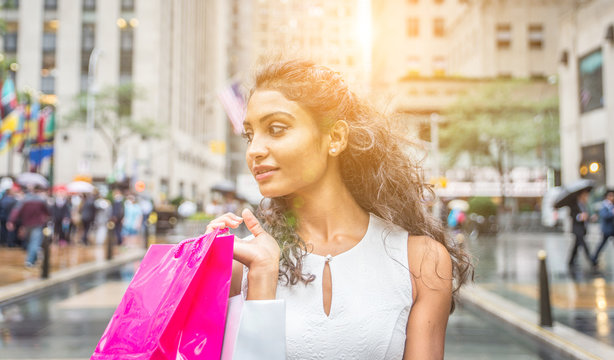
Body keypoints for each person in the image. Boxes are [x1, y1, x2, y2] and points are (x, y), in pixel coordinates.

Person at [206, 60, 472, 358]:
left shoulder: (420, 261)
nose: (254, 149)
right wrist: (233, 275)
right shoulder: (241, 264)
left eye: (276, 129)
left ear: (334, 138)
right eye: (250, 135)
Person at [7, 185, 50, 267]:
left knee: (31, 241)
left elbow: (16, 211)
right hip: (37, 224)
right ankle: (32, 259)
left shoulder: (24, 200)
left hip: (27, 224)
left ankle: (30, 260)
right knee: (34, 242)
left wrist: (11, 221)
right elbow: (47, 212)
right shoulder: (41, 200)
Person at [568, 189, 592, 269]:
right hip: (577, 228)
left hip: (583, 228)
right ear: (580, 196)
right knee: (584, 245)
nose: (586, 197)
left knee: (576, 246)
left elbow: (586, 216)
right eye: (585, 195)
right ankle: (592, 261)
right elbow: (572, 216)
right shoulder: (574, 205)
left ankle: (570, 261)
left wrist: (590, 217)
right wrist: (580, 217)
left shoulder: (584, 205)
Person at [592, 189, 614, 267]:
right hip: (607, 230)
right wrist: (612, 213)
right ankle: (594, 258)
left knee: (602, 244)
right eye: (610, 196)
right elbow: (604, 215)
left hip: (612, 229)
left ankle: (594, 258)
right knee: (601, 245)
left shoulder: (611, 205)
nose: (612, 197)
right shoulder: (604, 205)